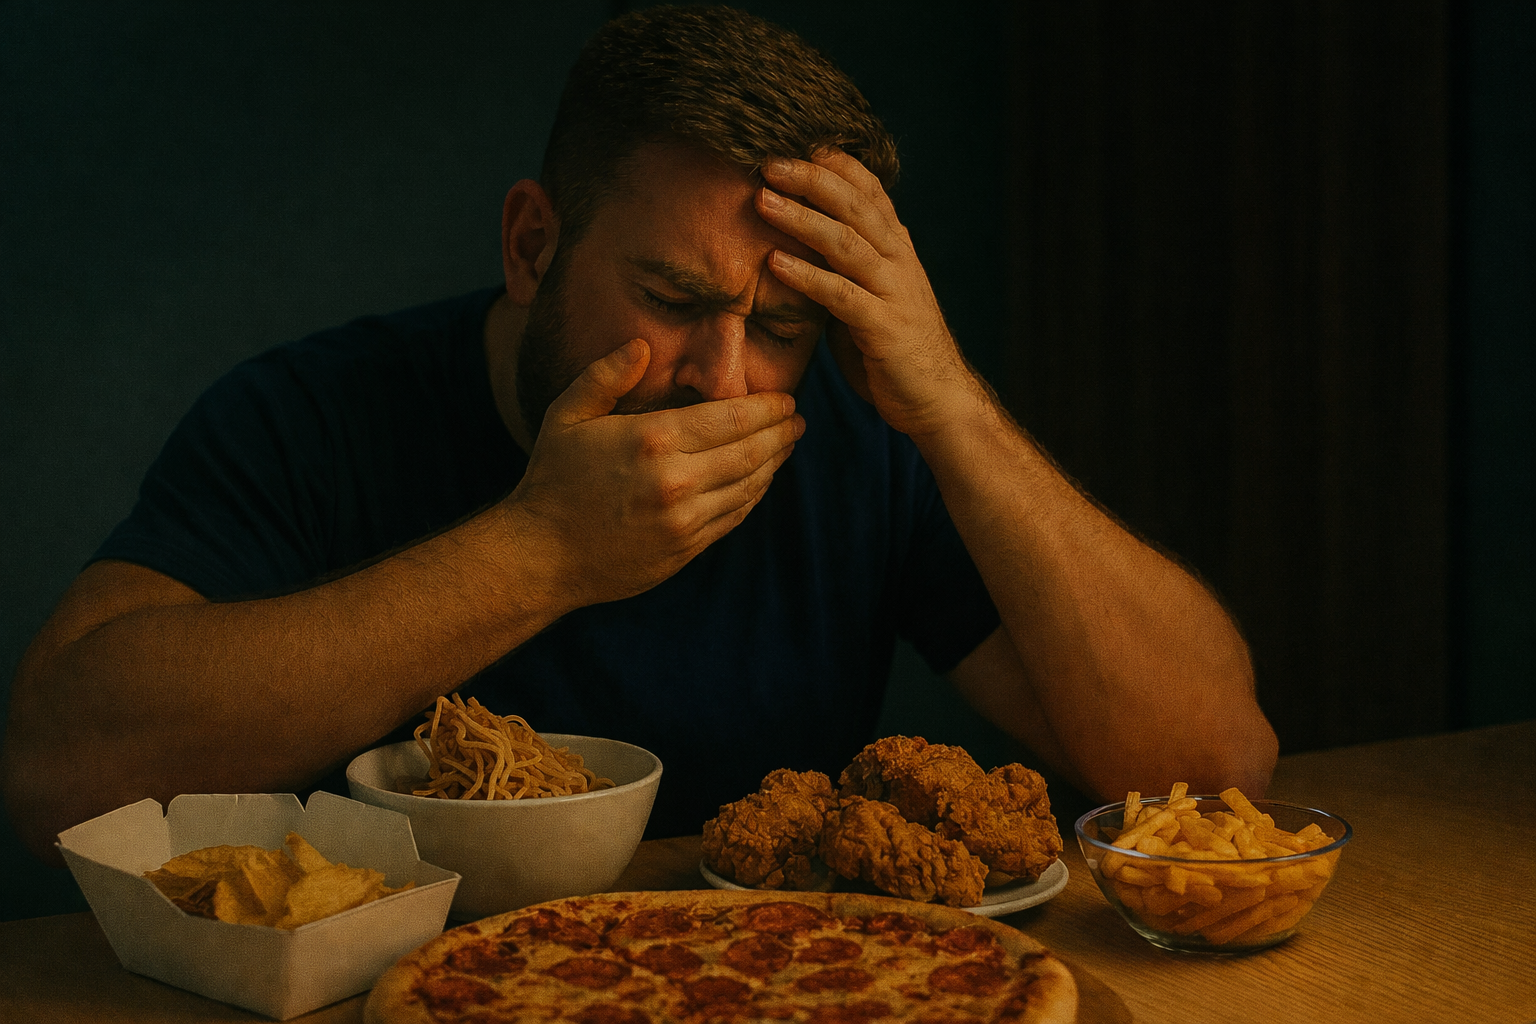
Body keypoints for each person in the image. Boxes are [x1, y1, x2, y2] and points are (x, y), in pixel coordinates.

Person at [3, 6, 1276, 864]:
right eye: (675, 300)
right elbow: (57, 764)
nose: (725, 377)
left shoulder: (855, 428)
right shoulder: (309, 414)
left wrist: (947, 401)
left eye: (780, 323)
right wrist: (539, 552)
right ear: (532, 245)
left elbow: (1215, 762)